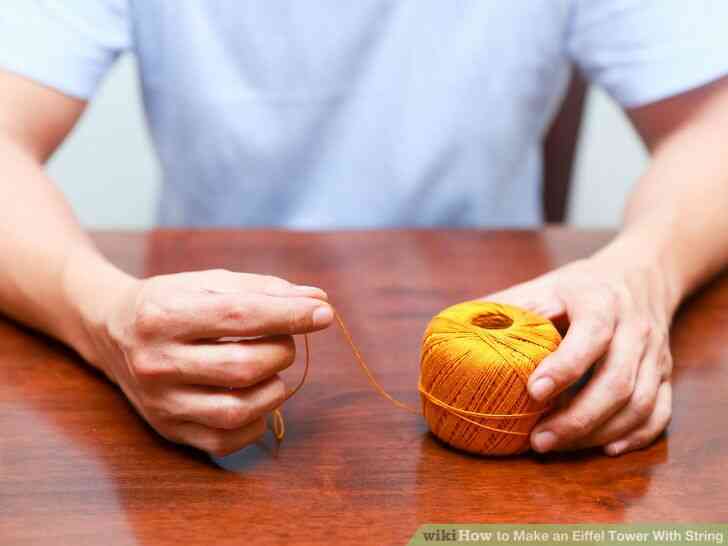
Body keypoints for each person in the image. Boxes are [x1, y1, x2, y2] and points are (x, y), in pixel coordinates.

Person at [1, 1, 728, 459]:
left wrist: (642, 273)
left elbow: (712, 123)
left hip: (519, 356)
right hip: (204, 367)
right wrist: (104, 316)